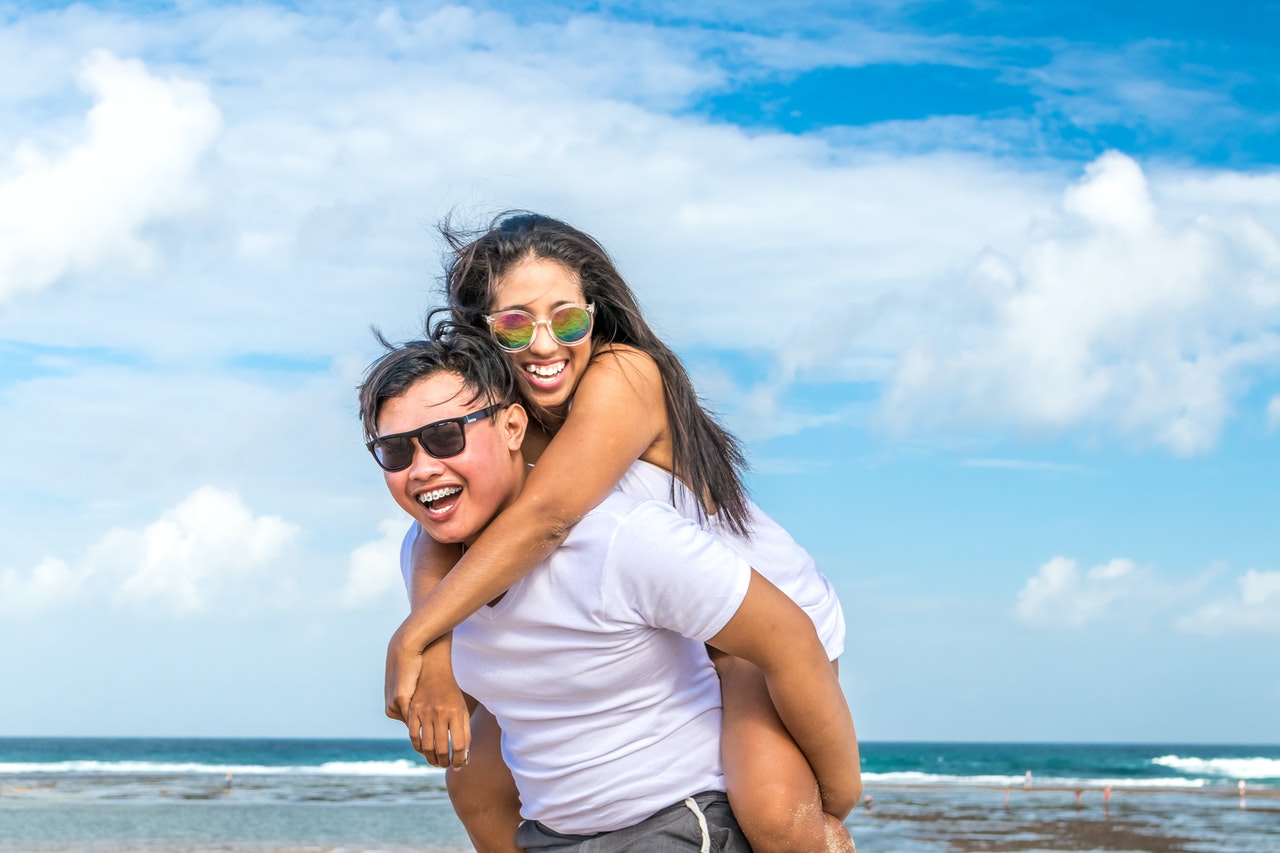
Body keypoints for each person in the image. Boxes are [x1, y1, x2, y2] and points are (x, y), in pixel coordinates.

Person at [385, 213, 852, 851]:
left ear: (595, 316)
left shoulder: (624, 376)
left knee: (775, 814)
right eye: (516, 325)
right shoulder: (500, 421)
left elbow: (547, 519)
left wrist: (413, 637)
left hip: (757, 622)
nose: (545, 346)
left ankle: (833, 833)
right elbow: (441, 533)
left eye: (567, 319)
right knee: (477, 786)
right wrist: (434, 650)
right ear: (481, 335)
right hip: (658, 634)